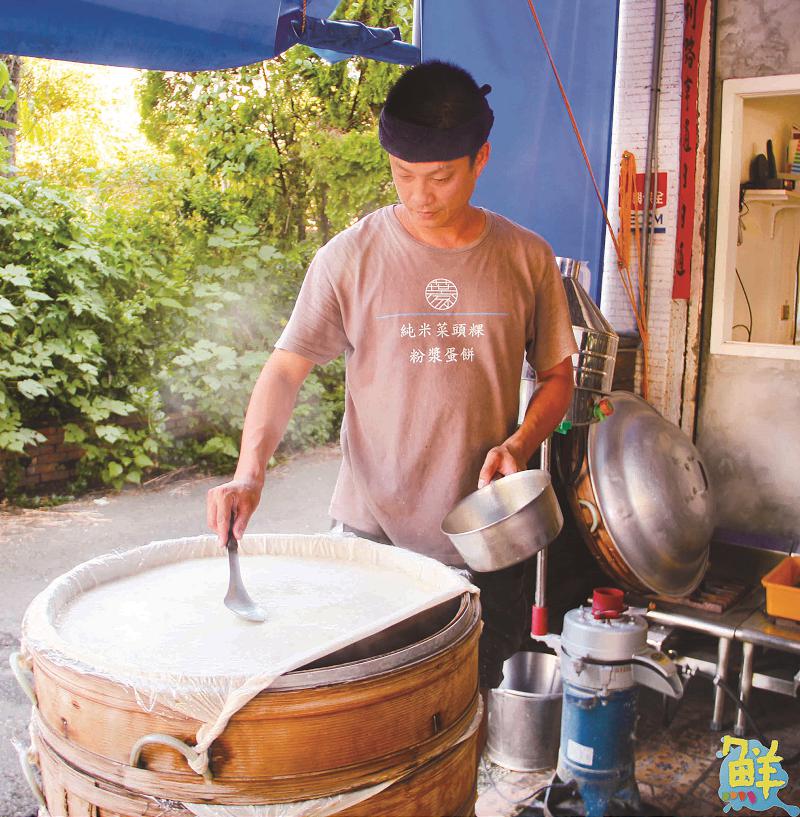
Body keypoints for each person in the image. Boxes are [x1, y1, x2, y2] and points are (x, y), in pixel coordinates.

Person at [207, 60, 577, 692]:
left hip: (482, 539)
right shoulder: (350, 256)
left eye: (439, 178)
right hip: (368, 538)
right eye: (403, 175)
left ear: (480, 159)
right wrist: (249, 471)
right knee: (367, 712)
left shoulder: (526, 256)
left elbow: (556, 376)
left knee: (464, 711)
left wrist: (518, 444)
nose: (419, 196)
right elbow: (286, 369)